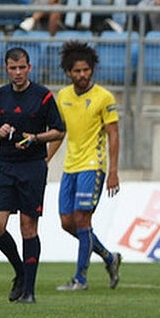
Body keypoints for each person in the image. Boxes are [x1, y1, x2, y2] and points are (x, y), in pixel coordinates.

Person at [0, 47, 65, 304]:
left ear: (29, 68)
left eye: (22, 68)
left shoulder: (43, 96)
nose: (17, 72)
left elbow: (59, 131)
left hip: (32, 167)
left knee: (28, 227)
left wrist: (36, 138)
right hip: (4, 165)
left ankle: (29, 291)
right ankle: (20, 271)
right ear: (6, 69)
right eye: (13, 68)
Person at [47, 42, 123, 292]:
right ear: (68, 72)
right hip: (71, 166)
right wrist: (45, 159)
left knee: (82, 218)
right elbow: (59, 132)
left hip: (93, 165)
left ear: (92, 70)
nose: (82, 75)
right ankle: (109, 258)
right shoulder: (63, 96)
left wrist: (113, 171)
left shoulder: (103, 97)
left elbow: (113, 134)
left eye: (86, 70)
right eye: (77, 71)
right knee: (68, 222)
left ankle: (80, 279)